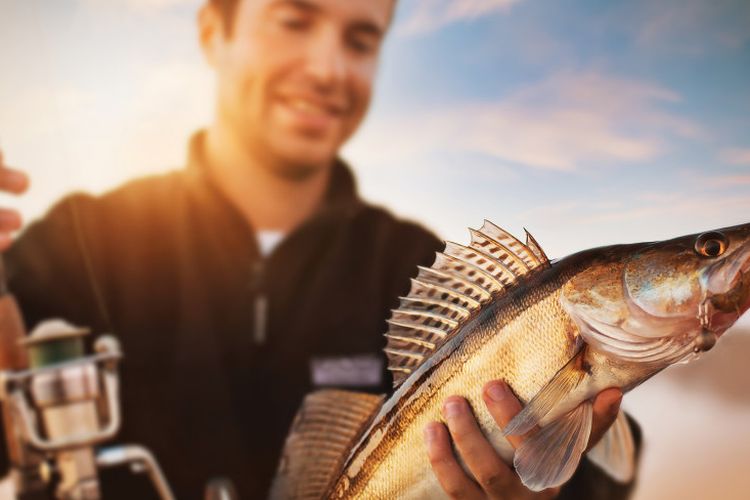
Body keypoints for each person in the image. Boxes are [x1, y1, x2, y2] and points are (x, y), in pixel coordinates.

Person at [0, 0, 634, 498]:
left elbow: (609, 470)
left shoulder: (414, 264)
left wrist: (554, 487)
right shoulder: (77, 242)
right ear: (212, 33)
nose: (328, 68)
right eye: (293, 20)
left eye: (360, 41)